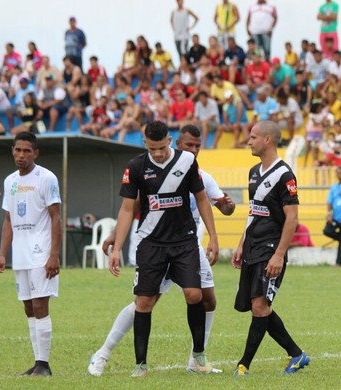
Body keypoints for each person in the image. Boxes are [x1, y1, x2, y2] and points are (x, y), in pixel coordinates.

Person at [88, 125, 235, 376]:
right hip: (153, 242)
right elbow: (130, 206)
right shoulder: (137, 167)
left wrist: (215, 233)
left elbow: (212, 202)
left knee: (203, 297)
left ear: (168, 142)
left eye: (198, 146)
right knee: (144, 301)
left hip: (187, 244)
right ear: (176, 142)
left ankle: (197, 358)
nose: (194, 150)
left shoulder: (194, 168)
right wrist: (116, 241)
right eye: (189, 145)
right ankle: (105, 353)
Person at [231, 120, 309, 377]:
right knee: (258, 306)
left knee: (260, 306)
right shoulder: (254, 171)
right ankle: (297, 354)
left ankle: (243, 365)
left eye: (253, 137)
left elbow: (292, 219)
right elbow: (253, 211)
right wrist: (241, 243)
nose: (248, 141)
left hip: (271, 248)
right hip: (253, 246)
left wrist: (279, 254)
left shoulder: (285, 175)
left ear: (267, 140)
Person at [0, 132, 62, 376]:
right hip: (20, 253)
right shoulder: (9, 180)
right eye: (18, 150)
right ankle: (37, 362)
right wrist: (2, 253)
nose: (21, 155)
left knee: (40, 304)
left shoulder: (46, 178)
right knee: (28, 307)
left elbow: (56, 217)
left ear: (35, 153)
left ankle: (44, 364)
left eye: (27, 151)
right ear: (13, 150)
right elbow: (8, 219)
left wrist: (54, 255)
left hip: (41, 250)